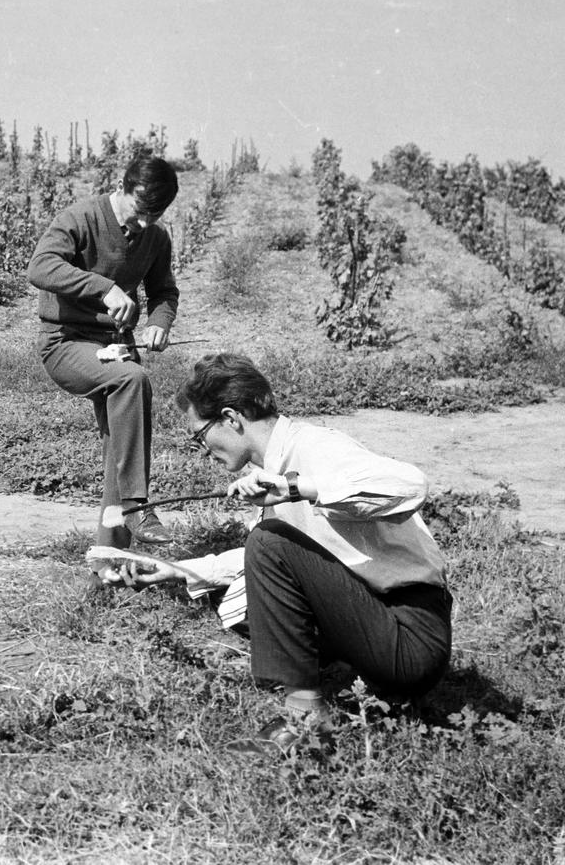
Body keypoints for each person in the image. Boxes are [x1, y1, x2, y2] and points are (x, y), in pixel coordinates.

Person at [114, 353, 452, 753]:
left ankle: (306, 722)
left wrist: (298, 488)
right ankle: (347, 681)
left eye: (199, 435)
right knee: (244, 596)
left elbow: (411, 485)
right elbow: (281, 562)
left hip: (411, 635)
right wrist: (173, 570)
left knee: (268, 543)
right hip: (377, 622)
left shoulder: (314, 448)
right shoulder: (277, 462)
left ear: (231, 418)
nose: (202, 449)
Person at [27, 153, 181, 555]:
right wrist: (104, 288)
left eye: (157, 214)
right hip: (66, 342)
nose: (146, 223)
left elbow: (164, 291)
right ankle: (136, 506)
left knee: (122, 446)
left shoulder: (156, 237)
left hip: (118, 347)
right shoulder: (80, 218)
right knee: (132, 379)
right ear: (122, 187)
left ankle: (110, 563)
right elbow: (39, 267)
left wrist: (160, 323)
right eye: (140, 210)